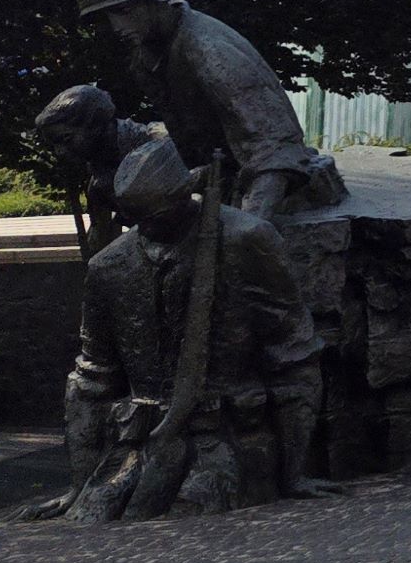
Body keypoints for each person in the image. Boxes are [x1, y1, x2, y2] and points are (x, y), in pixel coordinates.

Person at [40, 137, 330, 522]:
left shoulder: (246, 239)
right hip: (137, 444)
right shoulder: (109, 267)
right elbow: (92, 380)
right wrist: (79, 485)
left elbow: (294, 357)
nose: (148, 227)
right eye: (139, 219)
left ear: (185, 196)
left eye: (158, 215)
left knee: (193, 509)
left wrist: (293, 473)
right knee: (92, 514)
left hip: (228, 440)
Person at [73, 0, 347, 220]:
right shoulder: (148, 54)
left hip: (281, 196)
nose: (117, 27)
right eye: (105, 18)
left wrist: (249, 225)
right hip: (227, 184)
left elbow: (276, 150)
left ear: (155, 0)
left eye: (124, 11)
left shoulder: (209, 51)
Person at [31, 83, 159, 258]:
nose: (59, 152)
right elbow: (102, 243)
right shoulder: (99, 186)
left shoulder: (158, 144)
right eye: (55, 144)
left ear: (96, 124)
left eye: (66, 139)